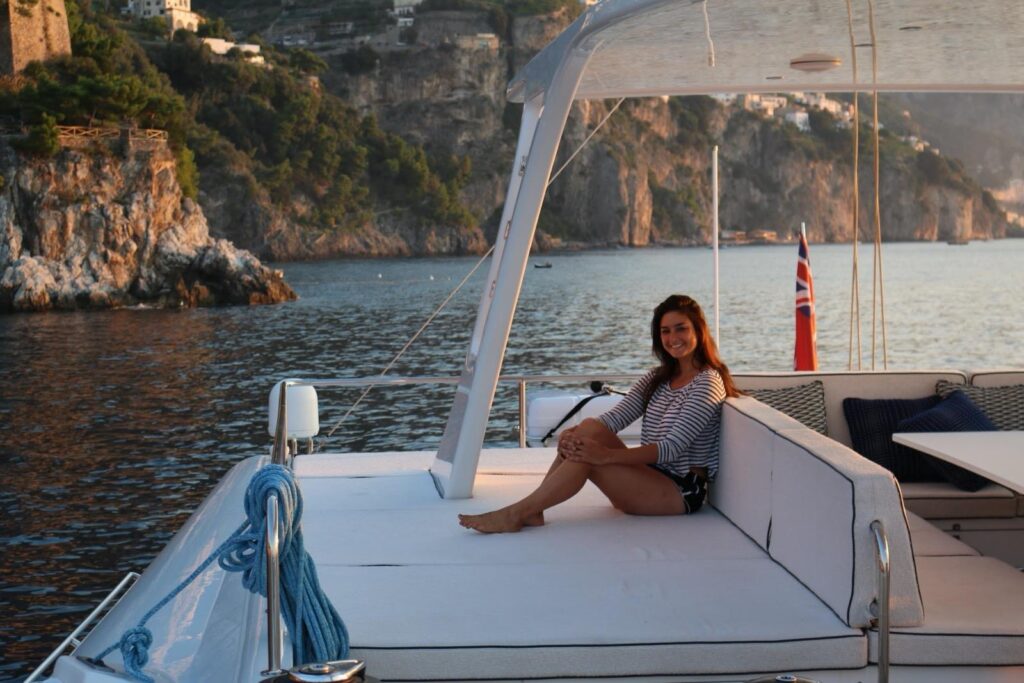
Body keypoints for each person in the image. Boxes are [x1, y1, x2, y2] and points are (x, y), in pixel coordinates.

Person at [458, 294, 740, 533]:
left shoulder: (707, 382)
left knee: (589, 457)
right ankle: (532, 509)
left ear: (698, 331)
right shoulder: (658, 378)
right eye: (665, 331)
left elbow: (671, 448)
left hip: (680, 491)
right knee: (589, 429)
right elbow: (614, 419)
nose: (673, 338)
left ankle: (518, 514)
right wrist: (575, 434)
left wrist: (606, 456)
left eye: (681, 328)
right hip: (649, 477)